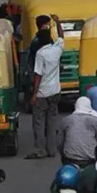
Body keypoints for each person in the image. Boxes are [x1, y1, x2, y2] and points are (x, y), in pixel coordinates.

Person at [26, 17, 65, 159]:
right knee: (52, 121)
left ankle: (40, 150)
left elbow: (38, 75)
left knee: (39, 122)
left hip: (42, 93)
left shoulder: (40, 54)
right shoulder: (57, 50)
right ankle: (52, 150)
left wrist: (34, 94)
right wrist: (58, 22)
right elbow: (61, 37)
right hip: (55, 91)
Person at [57, 96, 97, 167]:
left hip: (69, 159)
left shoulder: (66, 120)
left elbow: (59, 142)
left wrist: (64, 154)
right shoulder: (95, 121)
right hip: (90, 159)